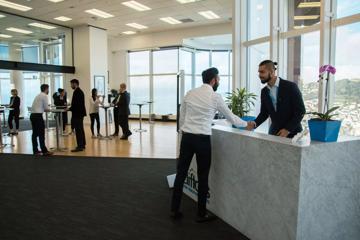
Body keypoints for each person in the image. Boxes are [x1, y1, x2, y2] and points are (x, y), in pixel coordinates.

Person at [170, 67, 252, 222]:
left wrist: (184, 134)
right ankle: (201, 214)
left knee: (181, 173)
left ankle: (174, 210)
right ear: (214, 80)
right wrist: (246, 124)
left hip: (187, 138)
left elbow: (182, 118)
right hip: (202, 140)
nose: (219, 82)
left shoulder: (190, 93)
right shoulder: (215, 97)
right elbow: (231, 118)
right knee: (202, 175)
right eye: (218, 79)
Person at [247, 60, 306, 138]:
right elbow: (264, 113)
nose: (259, 75)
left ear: (271, 72)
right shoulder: (264, 91)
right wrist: (255, 123)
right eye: (259, 72)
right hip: (274, 132)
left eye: (262, 72)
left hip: (293, 133)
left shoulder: (291, 87)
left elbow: (301, 111)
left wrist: (287, 129)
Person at [30, 84, 53, 156]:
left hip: (33, 115)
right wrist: (51, 110)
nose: (48, 91)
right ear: (46, 89)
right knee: (41, 134)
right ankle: (44, 151)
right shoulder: (44, 96)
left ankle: (35, 150)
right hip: (38, 116)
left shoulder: (38, 95)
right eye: (48, 89)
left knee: (35, 133)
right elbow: (46, 108)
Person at [68, 79, 86, 152]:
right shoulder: (79, 91)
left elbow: (76, 104)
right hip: (79, 113)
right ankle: (83, 144)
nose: (71, 86)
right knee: (80, 129)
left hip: (77, 114)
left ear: (75, 84)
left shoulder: (77, 92)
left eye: (71, 84)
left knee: (78, 130)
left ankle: (80, 146)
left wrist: (70, 109)